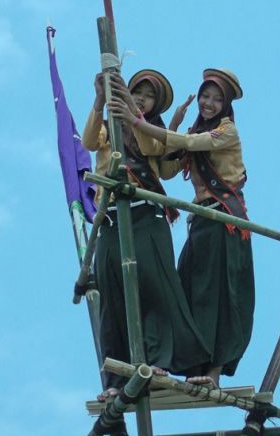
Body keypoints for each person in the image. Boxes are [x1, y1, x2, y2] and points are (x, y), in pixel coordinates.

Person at [108, 68, 255, 387]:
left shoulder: (226, 131)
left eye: (217, 99)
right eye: (206, 96)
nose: (209, 103)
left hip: (224, 220)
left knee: (219, 295)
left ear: (227, 104)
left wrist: (138, 123)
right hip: (201, 221)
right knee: (188, 291)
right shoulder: (195, 130)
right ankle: (195, 369)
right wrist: (171, 123)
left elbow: (190, 142)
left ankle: (213, 373)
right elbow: (166, 169)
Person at [82, 69, 210, 401]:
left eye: (148, 95)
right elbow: (88, 142)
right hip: (109, 217)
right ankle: (115, 378)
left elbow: (152, 146)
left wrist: (134, 115)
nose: (141, 98)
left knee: (155, 289)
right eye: (136, 91)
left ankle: (157, 363)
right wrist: (101, 101)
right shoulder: (109, 125)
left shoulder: (150, 130)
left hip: (145, 213)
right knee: (111, 294)